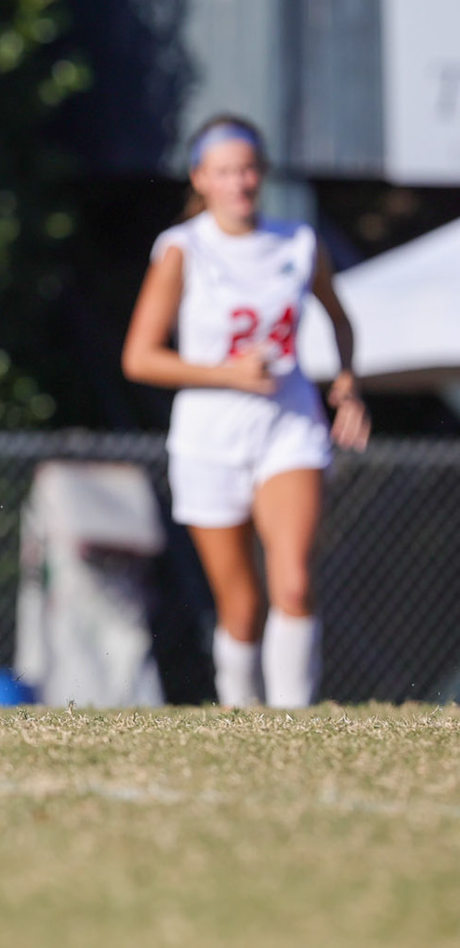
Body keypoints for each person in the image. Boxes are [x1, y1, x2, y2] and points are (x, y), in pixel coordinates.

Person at [121, 116, 367, 709]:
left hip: (290, 426)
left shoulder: (299, 243)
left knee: (295, 582)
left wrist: (347, 384)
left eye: (250, 168)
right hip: (210, 437)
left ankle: (294, 721)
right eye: (226, 171)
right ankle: (241, 714)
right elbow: (140, 358)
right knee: (241, 604)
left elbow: (339, 319)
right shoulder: (184, 249)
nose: (241, 182)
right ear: (201, 178)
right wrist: (227, 374)